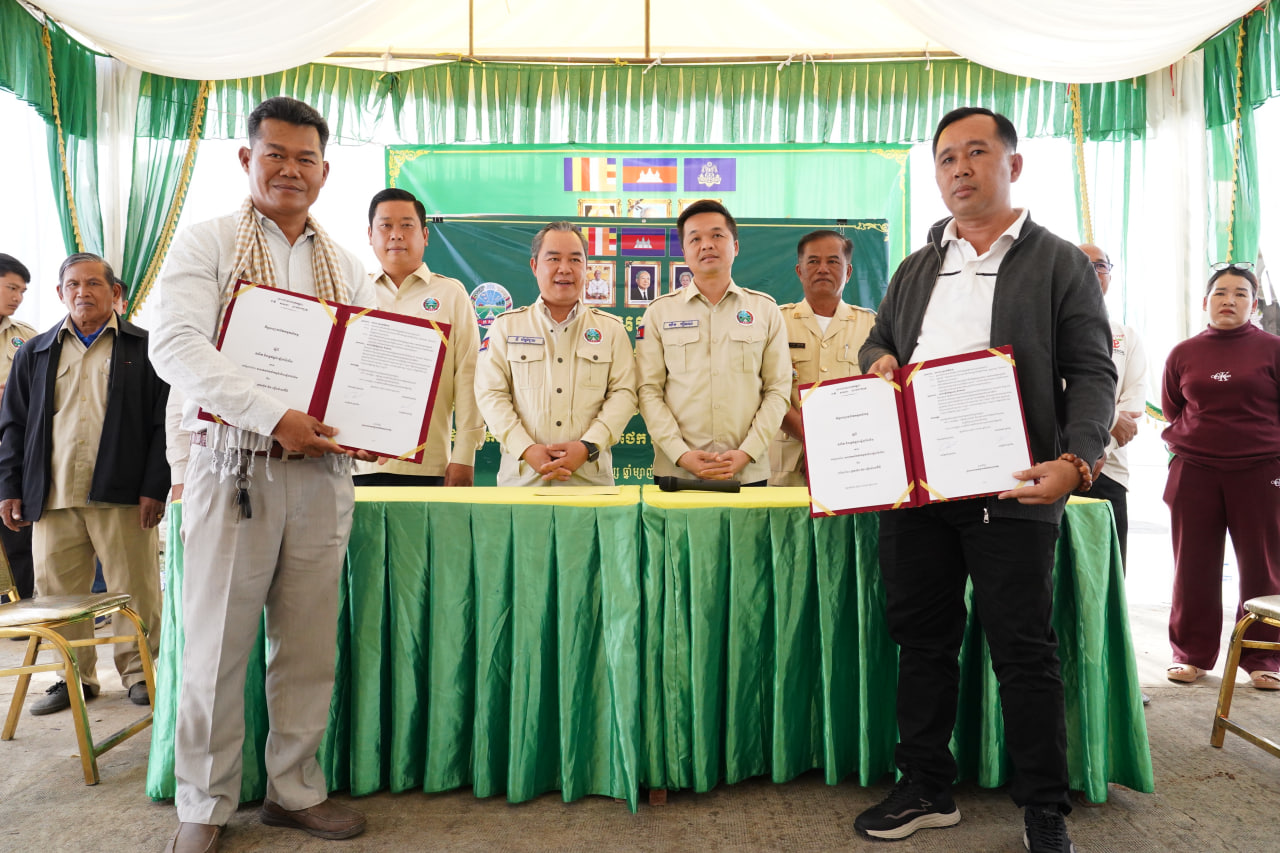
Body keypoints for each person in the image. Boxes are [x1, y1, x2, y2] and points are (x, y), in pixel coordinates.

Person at [854, 107, 1115, 853]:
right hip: (917, 489)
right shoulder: (918, 264)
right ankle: (925, 786)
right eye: (946, 158)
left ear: (1013, 165)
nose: (959, 168)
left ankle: (1044, 808)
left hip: (1014, 483)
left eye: (976, 152)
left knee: (1023, 649)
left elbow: (1092, 371)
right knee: (922, 641)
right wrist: (878, 360)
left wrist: (1078, 460)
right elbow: (880, 340)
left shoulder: (1058, 261)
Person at [150, 97, 376, 852]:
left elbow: (365, 363)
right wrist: (273, 416)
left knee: (308, 646)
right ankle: (204, 802)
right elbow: (175, 344)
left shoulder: (346, 265)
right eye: (274, 154)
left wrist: (378, 427)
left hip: (322, 476)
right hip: (232, 470)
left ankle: (294, 790)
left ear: (325, 171)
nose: (290, 169)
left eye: (305, 158)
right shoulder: (208, 242)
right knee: (215, 646)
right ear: (246, 159)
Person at [0, 253, 168, 713]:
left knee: (135, 589)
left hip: (123, 494)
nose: (82, 292)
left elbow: (163, 425)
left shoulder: (146, 348)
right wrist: (9, 487)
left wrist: (155, 486)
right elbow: (14, 426)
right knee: (58, 595)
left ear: (114, 292)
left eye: (93, 283)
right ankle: (73, 676)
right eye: (72, 284)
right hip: (52, 494)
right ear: (60, 293)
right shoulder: (34, 351)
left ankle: (140, 672)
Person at [1162, 263, 1280, 691]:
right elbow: (1174, 408)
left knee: (1264, 568)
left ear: (1254, 304)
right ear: (1206, 301)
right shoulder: (1183, 353)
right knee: (1192, 567)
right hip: (1195, 471)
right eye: (1221, 293)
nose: (1229, 300)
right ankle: (1190, 655)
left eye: (1240, 293)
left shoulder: (1273, 350)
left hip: (1261, 471)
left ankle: (1264, 656)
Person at [636, 200, 790, 486]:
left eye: (717, 235)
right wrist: (681, 454)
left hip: (747, 472)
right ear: (684, 253)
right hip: (677, 472)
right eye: (695, 239)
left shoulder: (766, 310)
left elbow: (778, 390)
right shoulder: (659, 313)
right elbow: (648, 391)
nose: (707, 245)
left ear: (736, 246)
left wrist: (747, 452)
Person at [474, 222, 636, 485]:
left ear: (586, 267)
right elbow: (490, 394)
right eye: (554, 258)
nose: (565, 268)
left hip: (589, 484)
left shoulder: (611, 330)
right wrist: (526, 448)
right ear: (534, 266)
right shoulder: (505, 327)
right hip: (522, 482)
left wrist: (588, 446)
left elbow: (625, 394)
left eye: (575, 259)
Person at [353, 188, 483, 487]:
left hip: (428, 466)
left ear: (425, 235)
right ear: (370, 235)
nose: (396, 235)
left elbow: (469, 377)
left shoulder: (450, 294)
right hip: (357, 464)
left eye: (406, 225)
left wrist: (464, 456)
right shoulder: (354, 294)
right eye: (385, 225)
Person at [768, 230, 876, 485]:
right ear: (799, 271)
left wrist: (833, 444)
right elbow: (765, 391)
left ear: (848, 272)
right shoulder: (776, 322)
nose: (823, 269)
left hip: (850, 459)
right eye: (814, 261)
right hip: (786, 463)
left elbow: (877, 397)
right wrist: (812, 438)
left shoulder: (872, 326)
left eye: (833, 261)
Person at [1075, 244, 1148, 567]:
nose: (1092, 272)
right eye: (1082, 263)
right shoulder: (1046, 328)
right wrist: (1111, 418)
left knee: (1107, 571)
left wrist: (1098, 447)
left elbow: (1132, 406)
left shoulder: (1126, 336)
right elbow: (1055, 392)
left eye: (1100, 265)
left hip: (1110, 469)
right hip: (1054, 464)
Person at [0, 253, 37, 603]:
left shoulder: (25, 337)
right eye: (12, 288)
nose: (18, 297)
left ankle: (22, 613)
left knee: (16, 536)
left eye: (22, 291)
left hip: (12, 453)